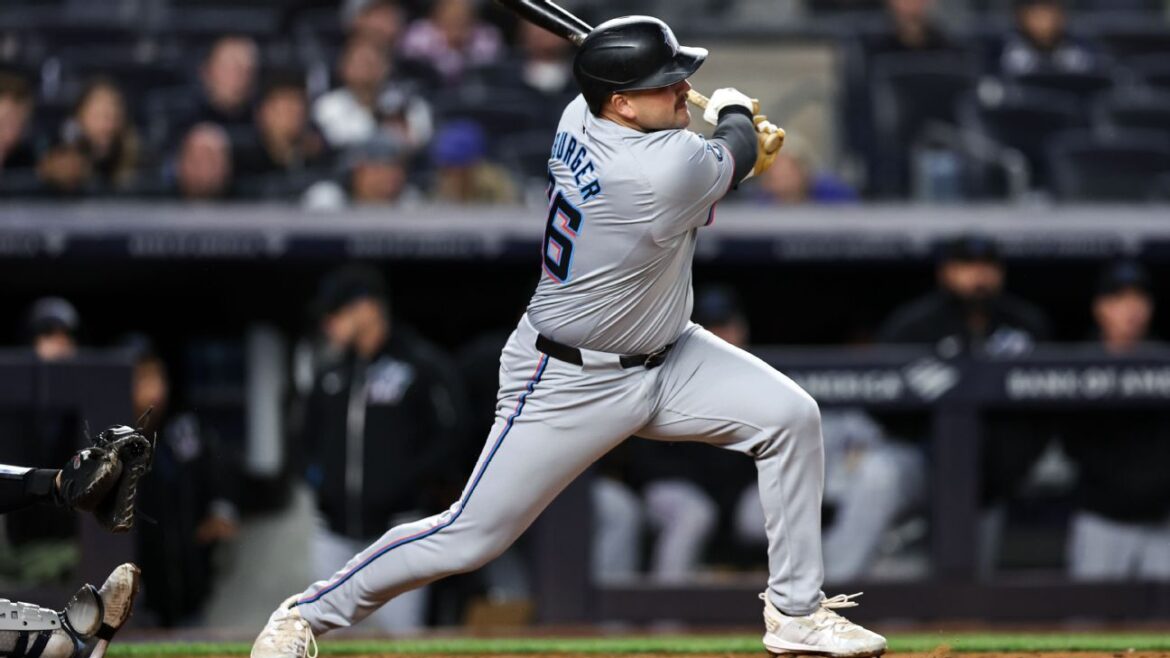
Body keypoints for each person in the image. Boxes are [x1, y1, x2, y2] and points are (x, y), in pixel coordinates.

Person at [252, 16, 883, 658]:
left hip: (669, 354)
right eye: (665, 82)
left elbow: (712, 154)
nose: (681, 89)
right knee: (470, 536)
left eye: (679, 78)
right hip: (567, 378)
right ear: (621, 104)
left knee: (791, 418)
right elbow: (734, 151)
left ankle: (796, 613)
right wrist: (735, 114)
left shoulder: (579, 115)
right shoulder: (660, 171)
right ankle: (304, 615)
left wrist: (725, 135)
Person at [296, 266, 468, 632]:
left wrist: (410, 482)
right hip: (334, 531)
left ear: (368, 308)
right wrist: (320, 482)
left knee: (402, 640)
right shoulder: (331, 373)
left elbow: (452, 434)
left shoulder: (419, 365)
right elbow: (303, 440)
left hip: (398, 530)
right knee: (321, 637)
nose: (328, 323)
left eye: (337, 312)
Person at [1062, 261, 1170, 581]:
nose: (1131, 309)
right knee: (1090, 611)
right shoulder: (1077, 367)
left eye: (1138, 299)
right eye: (1119, 299)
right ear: (1100, 308)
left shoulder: (1164, 360)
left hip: (1162, 518)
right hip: (1102, 519)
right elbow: (1073, 444)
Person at [123, 341, 240, 626]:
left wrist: (220, 511)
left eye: (158, 377)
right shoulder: (106, 440)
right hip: (129, 603)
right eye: (143, 378)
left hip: (188, 594)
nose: (155, 389)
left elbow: (219, 476)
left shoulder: (183, 431)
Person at [37, 78, 140, 196]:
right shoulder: (62, 152)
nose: (107, 125)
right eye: (98, 115)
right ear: (80, 115)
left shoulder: (133, 155)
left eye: (114, 116)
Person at [399, 0, 503, 86]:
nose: (456, 18)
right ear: (437, 15)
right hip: (428, 90)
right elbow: (411, 64)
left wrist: (463, 45)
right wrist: (447, 45)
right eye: (451, 15)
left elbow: (489, 64)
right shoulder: (420, 32)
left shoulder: (486, 34)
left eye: (461, 17)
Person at [999, 0, 1098, 77]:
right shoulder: (1003, 54)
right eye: (1037, 16)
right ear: (1022, 18)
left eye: (1049, 14)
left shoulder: (1080, 54)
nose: (1044, 23)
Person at [428, 120, 518, 204]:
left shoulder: (494, 187)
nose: (447, 176)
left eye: (451, 166)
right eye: (445, 169)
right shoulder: (441, 185)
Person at [173, 123, 235, 201]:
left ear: (226, 166)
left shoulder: (246, 201)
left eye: (211, 161)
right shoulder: (160, 199)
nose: (203, 169)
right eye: (195, 161)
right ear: (179, 164)